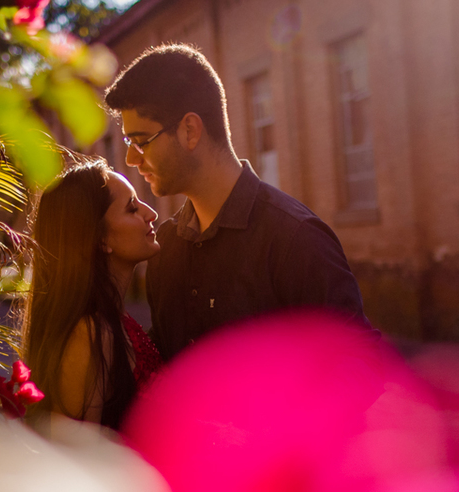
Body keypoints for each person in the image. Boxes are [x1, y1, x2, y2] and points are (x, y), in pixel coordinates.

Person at [103, 44, 374, 360]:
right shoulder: (165, 246)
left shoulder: (295, 240)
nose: (130, 159)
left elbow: (358, 369)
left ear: (190, 130)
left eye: (140, 141)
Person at [23, 156, 163, 430]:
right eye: (132, 208)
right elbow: (74, 461)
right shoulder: (87, 335)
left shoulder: (114, 321)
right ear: (100, 239)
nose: (151, 214)